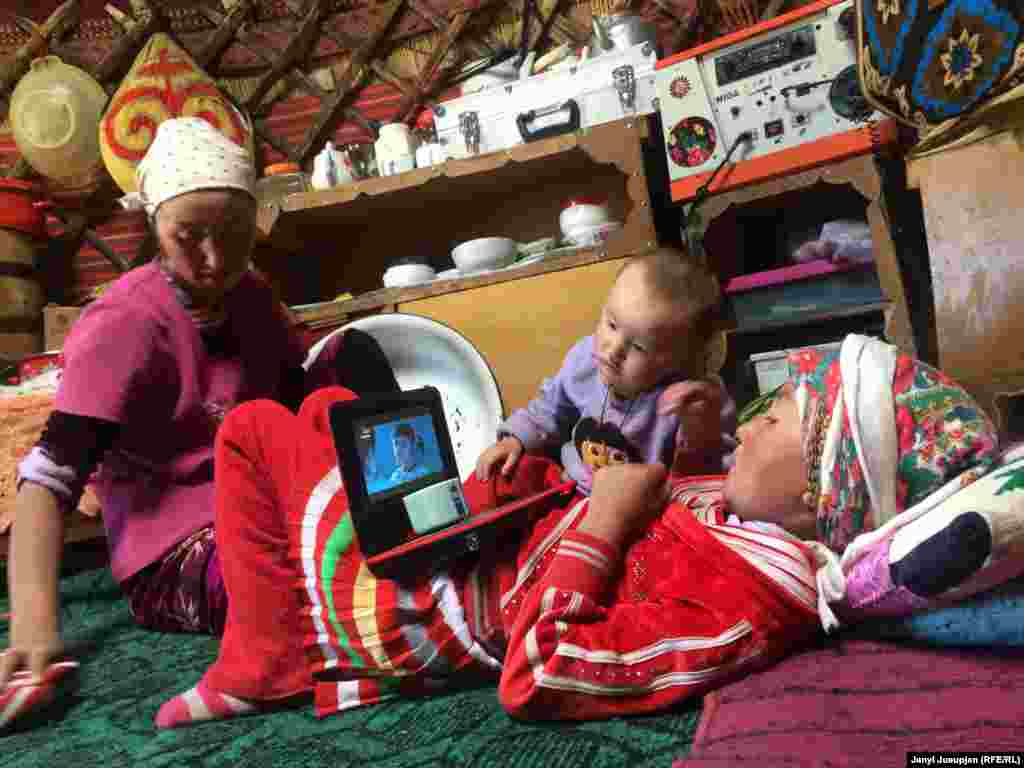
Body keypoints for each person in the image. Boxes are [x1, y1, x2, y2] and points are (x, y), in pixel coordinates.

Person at [151, 333, 998, 728]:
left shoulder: (757, 597)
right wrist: (550, 491)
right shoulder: (755, 534)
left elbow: (541, 673)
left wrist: (604, 517)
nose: (746, 429)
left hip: (439, 612)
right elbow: (658, 514)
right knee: (338, 411)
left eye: (772, 422)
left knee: (255, 431)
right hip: (496, 548)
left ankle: (261, 669)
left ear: (826, 484)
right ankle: (278, 635)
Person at [0, 118, 399, 697]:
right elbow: (48, 480)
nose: (215, 256)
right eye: (189, 235)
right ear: (153, 225)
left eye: (234, 230)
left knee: (354, 353)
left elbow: (293, 402)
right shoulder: (126, 325)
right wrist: (35, 631)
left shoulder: (254, 299)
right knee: (305, 590)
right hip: (179, 551)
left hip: (270, 503)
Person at [475, 249, 736, 494]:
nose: (613, 350)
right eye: (611, 324)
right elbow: (550, 410)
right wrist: (514, 440)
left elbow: (710, 475)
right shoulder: (585, 359)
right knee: (497, 480)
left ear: (676, 363)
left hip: (642, 507)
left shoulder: (692, 401)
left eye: (638, 347)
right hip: (570, 486)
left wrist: (698, 428)